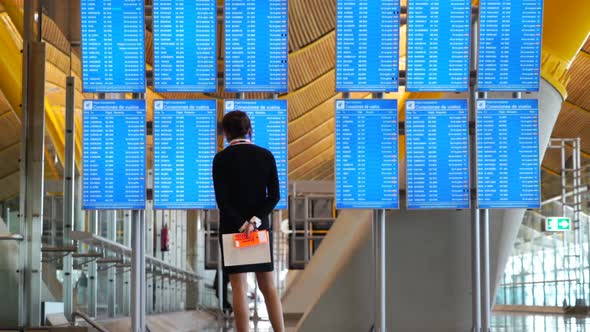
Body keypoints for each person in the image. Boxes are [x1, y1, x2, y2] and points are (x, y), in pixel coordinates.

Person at [212, 110, 285, 332]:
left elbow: (222, 202)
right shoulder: (266, 156)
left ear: (226, 133)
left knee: (238, 287)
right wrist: (254, 222)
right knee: (268, 286)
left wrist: (242, 224)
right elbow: (274, 196)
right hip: (259, 230)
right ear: (249, 130)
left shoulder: (220, 159)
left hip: (233, 230)